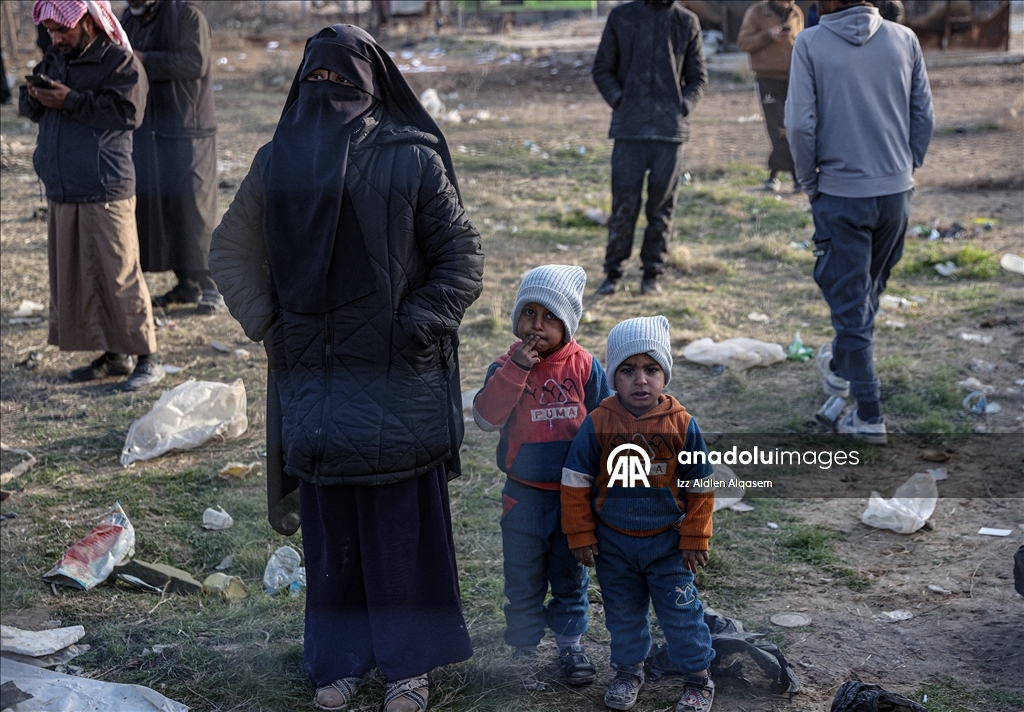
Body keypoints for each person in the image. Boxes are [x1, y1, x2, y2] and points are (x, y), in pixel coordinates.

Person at [208, 24, 483, 712]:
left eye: (343, 80)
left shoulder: (410, 158)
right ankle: (340, 662)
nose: (327, 91)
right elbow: (228, 253)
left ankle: (408, 668)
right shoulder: (277, 163)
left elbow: (461, 257)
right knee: (334, 534)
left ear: (372, 87)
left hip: (397, 379)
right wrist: (272, 324)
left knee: (398, 532)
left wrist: (416, 324)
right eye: (316, 78)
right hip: (314, 379)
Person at [785, 0, 933, 444]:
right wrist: (905, 167)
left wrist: (809, 180)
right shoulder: (905, 38)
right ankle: (839, 367)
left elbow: (799, 125)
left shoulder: (810, 43)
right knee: (866, 294)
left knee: (852, 304)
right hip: (895, 192)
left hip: (841, 193)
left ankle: (868, 412)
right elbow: (923, 115)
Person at [561, 316, 716, 712]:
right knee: (623, 613)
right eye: (628, 370)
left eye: (651, 369)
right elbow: (575, 481)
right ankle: (629, 671)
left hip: (668, 545)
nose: (640, 380)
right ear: (613, 375)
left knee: (681, 613)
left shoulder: (682, 423)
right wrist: (580, 534)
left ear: (665, 374)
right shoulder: (598, 422)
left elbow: (701, 483)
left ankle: (698, 679)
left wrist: (695, 535)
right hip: (614, 545)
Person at [472, 264, 611, 686]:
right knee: (523, 578)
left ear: (568, 324)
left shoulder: (585, 366)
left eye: (550, 316)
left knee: (570, 576)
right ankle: (523, 651)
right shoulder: (504, 367)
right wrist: (515, 371)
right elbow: (486, 419)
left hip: (574, 497)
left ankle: (570, 646)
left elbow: (606, 426)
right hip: (523, 497)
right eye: (529, 313)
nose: (537, 325)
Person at [21, 0, 164, 391]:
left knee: (119, 275)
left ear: (87, 21)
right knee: (85, 278)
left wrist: (69, 100)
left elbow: (127, 113)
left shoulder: (120, 62)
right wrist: (34, 96)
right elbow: (32, 111)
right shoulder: (56, 59)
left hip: (105, 188)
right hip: (65, 188)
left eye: (62, 30)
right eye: (51, 31)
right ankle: (113, 355)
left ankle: (147, 358)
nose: (56, 38)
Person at [591, 0, 707, 297]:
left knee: (661, 209)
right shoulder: (622, 17)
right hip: (629, 131)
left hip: (669, 132)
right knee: (623, 206)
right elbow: (602, 69)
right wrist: (621, 101)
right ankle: (613, 273)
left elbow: (698, 77)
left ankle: (652, 273)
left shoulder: (686, 21)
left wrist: (682, 107)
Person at [122, 0, 223, 314]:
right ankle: (186, 285)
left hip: (189, 128)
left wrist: (145, 60)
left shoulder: (188, 15)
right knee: (165, 208)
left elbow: (195, 62)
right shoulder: (129, 18)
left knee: (194, 207)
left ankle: (211, 285)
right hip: (150, 129)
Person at [737, 0, 804, 193]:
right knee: (777, 128)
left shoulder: (797, 13)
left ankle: (774, 174)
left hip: (794, 77)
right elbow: (743, 42)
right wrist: (768, 35)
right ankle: (796, 175)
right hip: (768, 78)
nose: (786, 2)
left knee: (794, 127)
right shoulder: (757, 12)